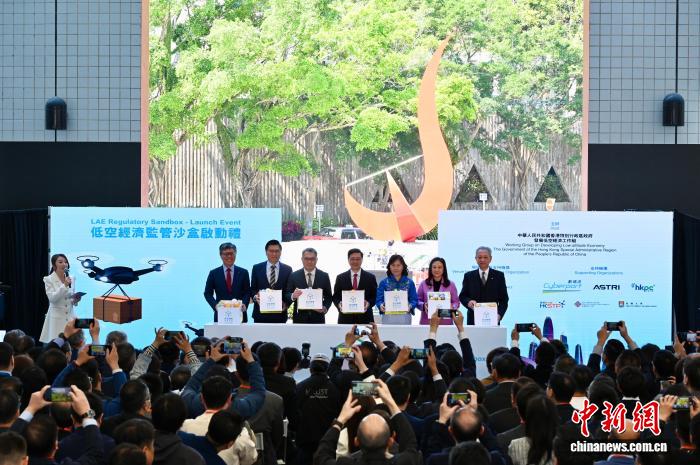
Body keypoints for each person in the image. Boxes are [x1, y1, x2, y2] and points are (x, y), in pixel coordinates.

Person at [458, 247, 508, 325]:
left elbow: (504, 299)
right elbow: (463, 296)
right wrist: (468, 302)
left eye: (485, 257)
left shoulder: (499, 276)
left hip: (493, 319)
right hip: (473, 320)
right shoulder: (468, 276)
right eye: (480, 257)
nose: (482, 260)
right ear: (476, 259)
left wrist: (499, 315)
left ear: (490, 259)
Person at [204, 243, 251, 323]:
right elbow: (207, 293)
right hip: (220, 314)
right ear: (220, 255)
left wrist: (244, 304)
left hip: (240, 314)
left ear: (235, 254)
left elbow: (247, 292)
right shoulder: (214, 273)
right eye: (226, 254)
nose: (229, 256)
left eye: (231, 253)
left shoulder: (243, 272)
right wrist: (215, 306)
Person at [40, 254, 81, 343]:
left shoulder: (71, 278)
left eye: (66, 262)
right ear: (54, 265)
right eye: (60, 262)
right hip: (56, 319)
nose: (64, 264)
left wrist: (76, 300)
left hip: (70, 317)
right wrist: (64, 285)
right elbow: (52, 299)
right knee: (57, 344)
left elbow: (71, 299)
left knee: (72, 344)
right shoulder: (48, 279)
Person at [284, 248, 333, 324]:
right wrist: (293, 295)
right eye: (306, 259)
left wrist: (325, 307)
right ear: (302, 259)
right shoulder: (294, 276)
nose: (309, 261)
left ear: (316, 259)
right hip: (299, 319)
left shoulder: (324, 276)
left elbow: (329, 297)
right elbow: (287, 294)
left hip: (318, 318)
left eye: (312, 259)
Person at [250, 240, 292, 324]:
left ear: (280, 252)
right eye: (271, 251)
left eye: (277, 251)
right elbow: (253, 289)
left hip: (280, 315)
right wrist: (255, 297)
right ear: (266, 252)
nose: (274, 254)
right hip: (260, 315)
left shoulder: (287, 269)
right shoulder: (256, 268)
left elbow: (289, 291)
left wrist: (287, 304)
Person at [332, 248, 378, 325]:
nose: (355, 261)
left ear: (362, 260)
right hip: (345, 318)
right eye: (352, 259)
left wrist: (368, 303)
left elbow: (374, 296)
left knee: (365, 334)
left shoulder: (370, 277)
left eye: (358, 259)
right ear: (348, 260)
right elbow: (336, 297)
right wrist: (339, 305)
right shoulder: (340, 277)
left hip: (365, 318)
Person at [375, 255, 418, 325]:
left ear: (403, 266)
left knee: (405, 332)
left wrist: (410, 306)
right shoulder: (383, 282)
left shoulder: (410, 283)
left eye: (398, 265)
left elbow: (414, 299)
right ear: (389, 266)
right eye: (393, 265)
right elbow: (378, 299)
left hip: (405, 317)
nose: (395, 268)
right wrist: (380, 305)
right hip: (388, 317)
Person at [416, 257, 460, 326]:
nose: (437, 270)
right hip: (427, 322)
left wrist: (452, 307)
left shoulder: (451, 284)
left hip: (446, 322)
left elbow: (456, 302)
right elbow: (417, 301)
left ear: (443, 269)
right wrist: (424, 306)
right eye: (434, 267)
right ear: (431, 269)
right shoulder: (423, 284)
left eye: (439, 267)